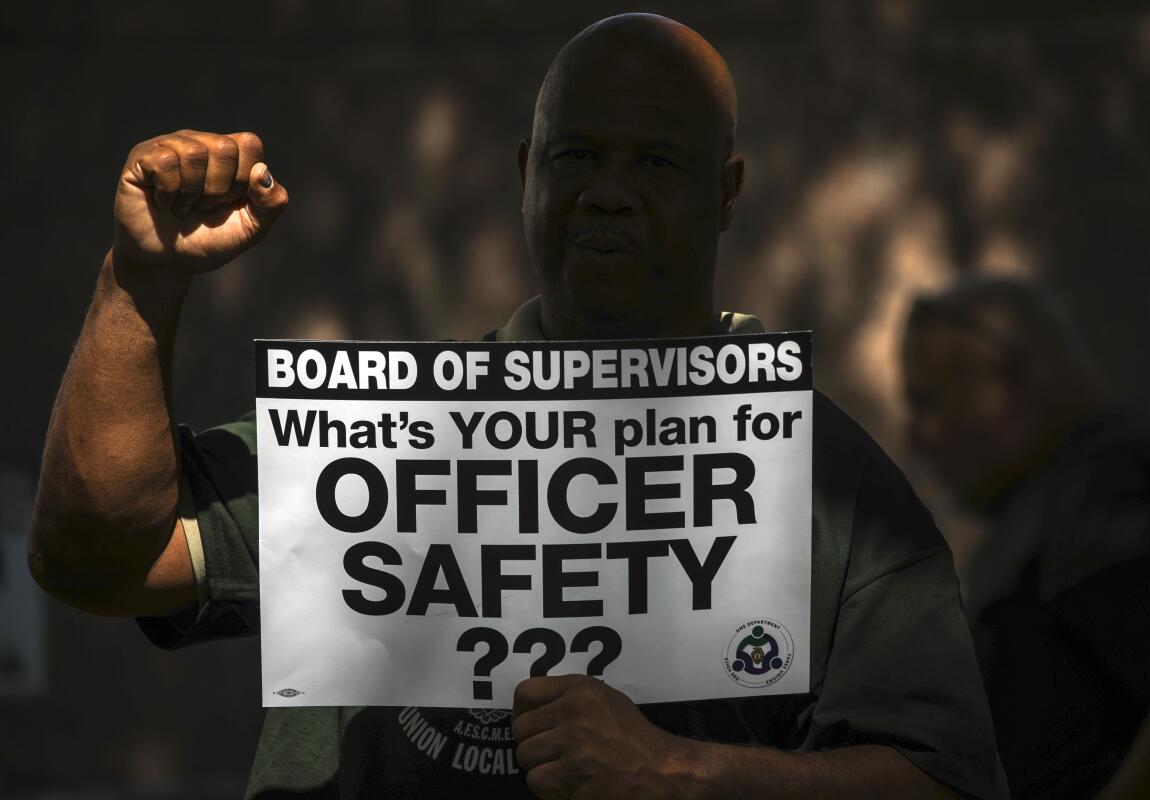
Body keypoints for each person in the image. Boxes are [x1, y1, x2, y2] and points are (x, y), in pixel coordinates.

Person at [31, 14, 1007, 799]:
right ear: (525, 175)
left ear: (726, 191)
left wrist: (684, 773)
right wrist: (141, 281)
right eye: (576, 155)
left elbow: (947, 777)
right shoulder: (388, 438)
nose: (609, 194)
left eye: (656, 163)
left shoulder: (819, 478)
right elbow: (101, 555)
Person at [902, 275, 1150, 799]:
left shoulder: (1105, 487)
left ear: (1006, 381)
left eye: (928, 402)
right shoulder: (1084, 491)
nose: (915, 437)